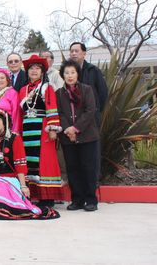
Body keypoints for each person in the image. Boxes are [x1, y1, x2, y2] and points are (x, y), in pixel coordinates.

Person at [0, 109, 60, 220]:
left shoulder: (15, 138)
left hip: (14, 180)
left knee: (7, 210)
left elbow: (20, 165)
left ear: (4, 122)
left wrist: (23, 186)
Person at [18, 54, 63, 206]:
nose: (34, 71)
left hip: (42, 128)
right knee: (28, 161)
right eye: (31, 68)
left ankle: (47, 197)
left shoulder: (47, 88)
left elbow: (52, 108)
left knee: (45, 161)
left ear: (42, 71)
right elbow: (21, 113)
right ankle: (32, 194)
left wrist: (52, 129)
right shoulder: (23, 90)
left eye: (37, 68)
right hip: (27, 129)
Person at [56, 60, 100, 212]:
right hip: (67, 137)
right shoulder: (59, 93)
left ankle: (91, 200)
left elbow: (90, 110)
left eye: (72, 72)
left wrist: (76, 128)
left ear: (77, 74)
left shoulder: (87, 89)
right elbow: (59, 113)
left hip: (87, 136)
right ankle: (77, 200)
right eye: (66, 73)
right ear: (62, 75)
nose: (70, 76)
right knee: (72, 168)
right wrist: (68, 129)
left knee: (89, 168)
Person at [68, 42, 108, 120]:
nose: (74, 53)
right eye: (72, 51)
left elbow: (103, 92)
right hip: (73, 116)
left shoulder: (93, 70)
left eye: (76, 51)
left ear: (84, 53)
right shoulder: (66, 72)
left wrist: (96, 110)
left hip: (92, 116)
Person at [0, 68, 22, 133]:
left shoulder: (12, 93)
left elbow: (16, 113)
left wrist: (15, 131)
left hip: (8, 129)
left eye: (2, 78)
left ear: (7, 80)